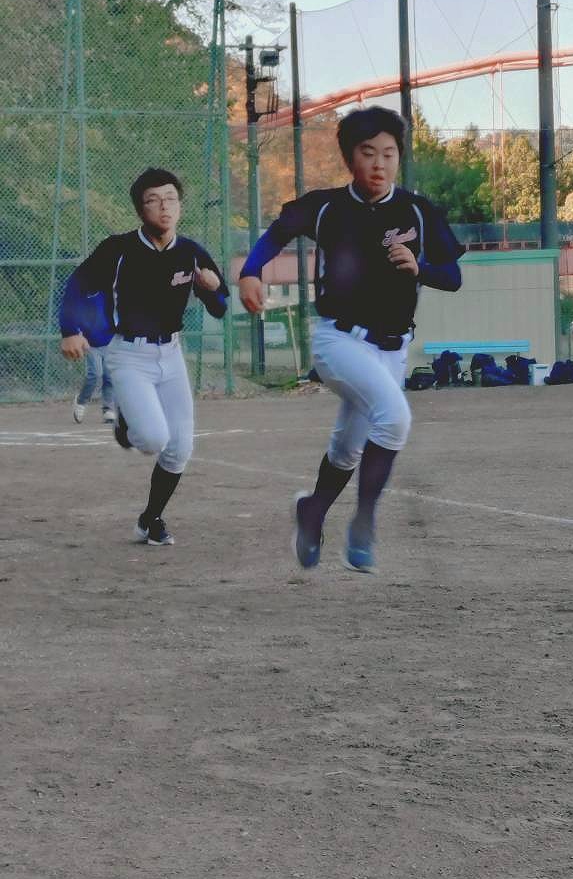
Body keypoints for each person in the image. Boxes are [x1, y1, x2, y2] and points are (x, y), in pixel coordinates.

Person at [239, 105, 463, 573]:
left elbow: (453, 276)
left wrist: (420, 267)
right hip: (338, 341)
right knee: (394, 419)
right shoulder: (327, 206)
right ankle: (363, 524)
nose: (379, 163)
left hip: (393, 349)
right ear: (349, 158)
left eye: (389, 153)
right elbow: (276, 234)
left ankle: (312, 510)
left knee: (348, 449)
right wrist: (251, 271)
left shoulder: (417, 211)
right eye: (368, 152)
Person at [59, 168, 229, 546]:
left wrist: (211, 289)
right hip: (128, 355)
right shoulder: (118, 249)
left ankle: (150, 520)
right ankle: (125, 423)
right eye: (153, 200)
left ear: (180, 206)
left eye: (171, 199)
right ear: (140, 210)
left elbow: (219, 307)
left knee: (180, 448)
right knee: (152, 439)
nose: (164, 207)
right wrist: (70, 329)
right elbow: (77, 285)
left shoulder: (190, 252)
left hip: (171, 354)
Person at [72, 345, 115, 424]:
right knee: (95, 374)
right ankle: (80, 401)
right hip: (92, 345)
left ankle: (108, 409)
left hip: (109, 345)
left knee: (109, 377)